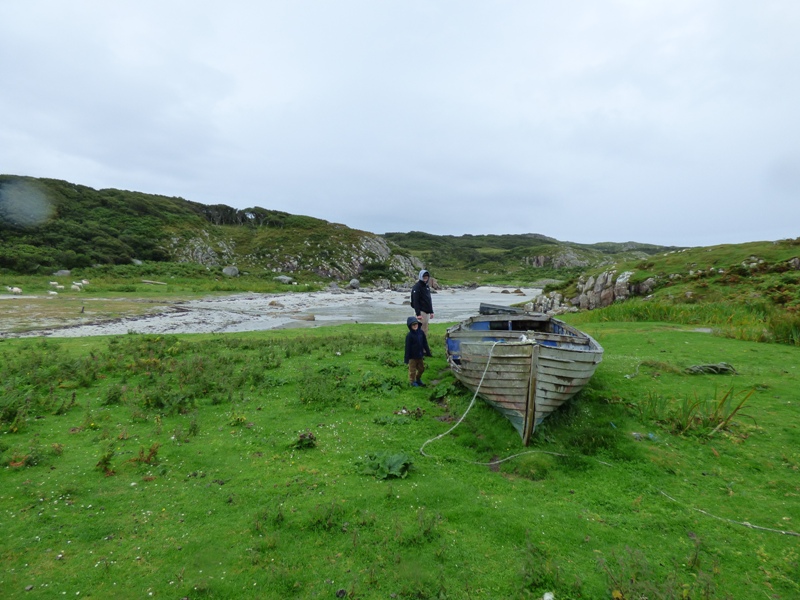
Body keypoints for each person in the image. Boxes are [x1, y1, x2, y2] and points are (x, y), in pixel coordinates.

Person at [404, 315, 432, 387]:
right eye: (413, 325)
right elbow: (407, 348)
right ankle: (412, 382)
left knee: (421, 369)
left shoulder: (421, 333)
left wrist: (428, 352)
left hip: (420, 355)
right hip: (412, 357)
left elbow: (425, 343)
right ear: (410, 326)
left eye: (416, 324)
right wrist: (406, 359)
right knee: (412, 371)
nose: (415, 325)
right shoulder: (409, 336)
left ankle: (418, 379)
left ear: (418, 324)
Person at [410, 269, 434, 336]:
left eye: (427, 276)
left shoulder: (427, 287)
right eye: (424, 276)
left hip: (427, 313)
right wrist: (418, 314)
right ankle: (417, 345)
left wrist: (431, 312)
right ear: (421, 276)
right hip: (421, 312)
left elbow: (429, 300)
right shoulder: (416, 287)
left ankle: (423, 346)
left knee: (425, 331)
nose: (425, 277)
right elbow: (415, 301)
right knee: (418, 331)